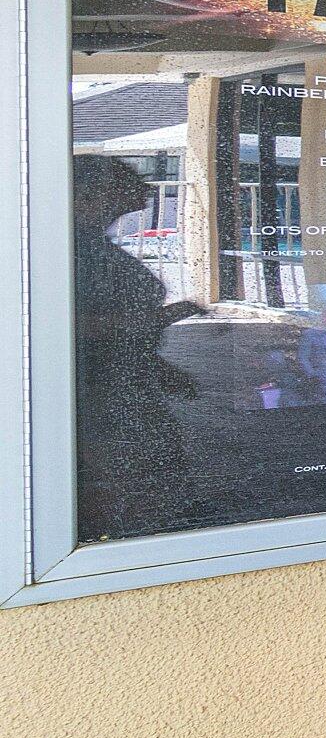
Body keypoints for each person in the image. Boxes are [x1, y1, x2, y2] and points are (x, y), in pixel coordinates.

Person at [71, 155, 201, 543]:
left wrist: (154, 367)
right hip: (95, 392)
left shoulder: (91, 244)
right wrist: (150, 321)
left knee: (154, 471)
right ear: (86, 195)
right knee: (121, 476)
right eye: (121, 183)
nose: (141, 190)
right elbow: (64, 325)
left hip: (124, 383)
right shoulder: (63, 251)